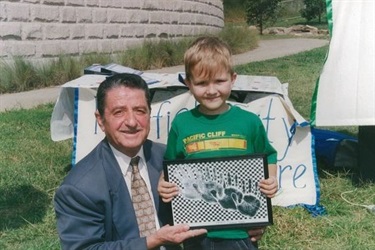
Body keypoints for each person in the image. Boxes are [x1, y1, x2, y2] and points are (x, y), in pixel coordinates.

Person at [54, 73, 207, 250]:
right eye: (119, 112)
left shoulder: (169, 159)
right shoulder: (79, 189)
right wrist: (152, 241)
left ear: (150, 114)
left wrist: (245, 223)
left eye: (140, 111)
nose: (132, 122)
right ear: (101, 120)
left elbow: (207, 207)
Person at [158, 36, 278, 250]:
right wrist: (164, 184)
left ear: (233, 79)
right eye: (202, 83)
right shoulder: (182, 123)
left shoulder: (249, 122)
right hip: (195, 228)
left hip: (239, 229)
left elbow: (267, 155)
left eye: (219, 81)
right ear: (188, 83)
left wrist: (271, 180)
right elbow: (171, 164)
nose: (211, 90)